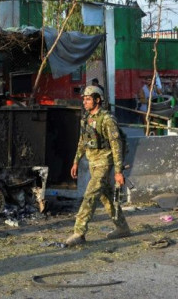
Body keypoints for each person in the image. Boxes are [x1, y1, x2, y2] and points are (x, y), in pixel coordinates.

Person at [65, 85, 130, 247]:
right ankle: (122, 228)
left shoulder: (107, 120)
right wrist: (75, 161)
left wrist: (118, 171)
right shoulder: (86, 117)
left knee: (90, 195)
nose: (85, 102)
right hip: (93, 162)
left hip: (104, 162)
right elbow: (82, 141)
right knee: (106, 196)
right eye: (84, 99)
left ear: (97, 100)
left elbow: (116, 145)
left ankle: (79, 233)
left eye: (88, 99)